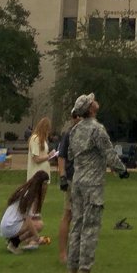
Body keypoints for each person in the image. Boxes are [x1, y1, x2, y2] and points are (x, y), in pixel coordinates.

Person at [64, 92, 128, 273]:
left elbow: (71, 156)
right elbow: (109, 154)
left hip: (77, 183)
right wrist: (122, 170)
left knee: (76, 228)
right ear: (90, 108)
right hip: (92, 185)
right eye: (92, 101)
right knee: (90, 229)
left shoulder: (74, 131)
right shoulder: (97, 129)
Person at [0, 171, 49, 254]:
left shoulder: (26, 190)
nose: (46, 186)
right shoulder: (30, 195)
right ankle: (13, 244)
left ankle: (12, 241)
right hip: (9, 226)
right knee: (38, 225)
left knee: (38, 223)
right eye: (45, 183)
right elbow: (28, 220)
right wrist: (37, 238)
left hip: (7, 224)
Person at [56, 111, 81, 265]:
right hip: (72, 179)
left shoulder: (89, 132)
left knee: (82, 218)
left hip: (85, 180)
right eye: (75, 116)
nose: (78, 118)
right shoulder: (68, 134)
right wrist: (62, 176)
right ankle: (63, 253)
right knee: (68, 215)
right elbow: (61, 157)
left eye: (81, 115)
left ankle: (78, 252)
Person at [27, 116, 55, 183]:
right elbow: (36, 159)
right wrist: (49, 156)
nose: (48, 132)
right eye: (47, 129)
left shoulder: (43, 140)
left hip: (44, 174)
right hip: (36, 175)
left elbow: (43, 155)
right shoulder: (35, 139)